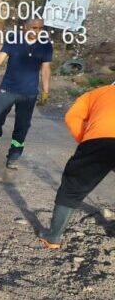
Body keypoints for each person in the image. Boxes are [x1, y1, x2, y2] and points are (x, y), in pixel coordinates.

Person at [40, 85, 115, 250]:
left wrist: (85, 140)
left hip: (98, 140)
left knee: (72, 189)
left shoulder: (94, 93)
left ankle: (53, 237)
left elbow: (72, 117)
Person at [0, 18, 52, 169]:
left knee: (22, 126)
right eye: (33, 27)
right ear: (25, 27)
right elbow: (0, 57)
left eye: (40, 28)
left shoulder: (46, 46)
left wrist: (45, 91)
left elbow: (45, 69)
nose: (36, 31)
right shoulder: (13, 39)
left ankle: (13, 157)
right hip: (8, 89)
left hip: (29, 93)